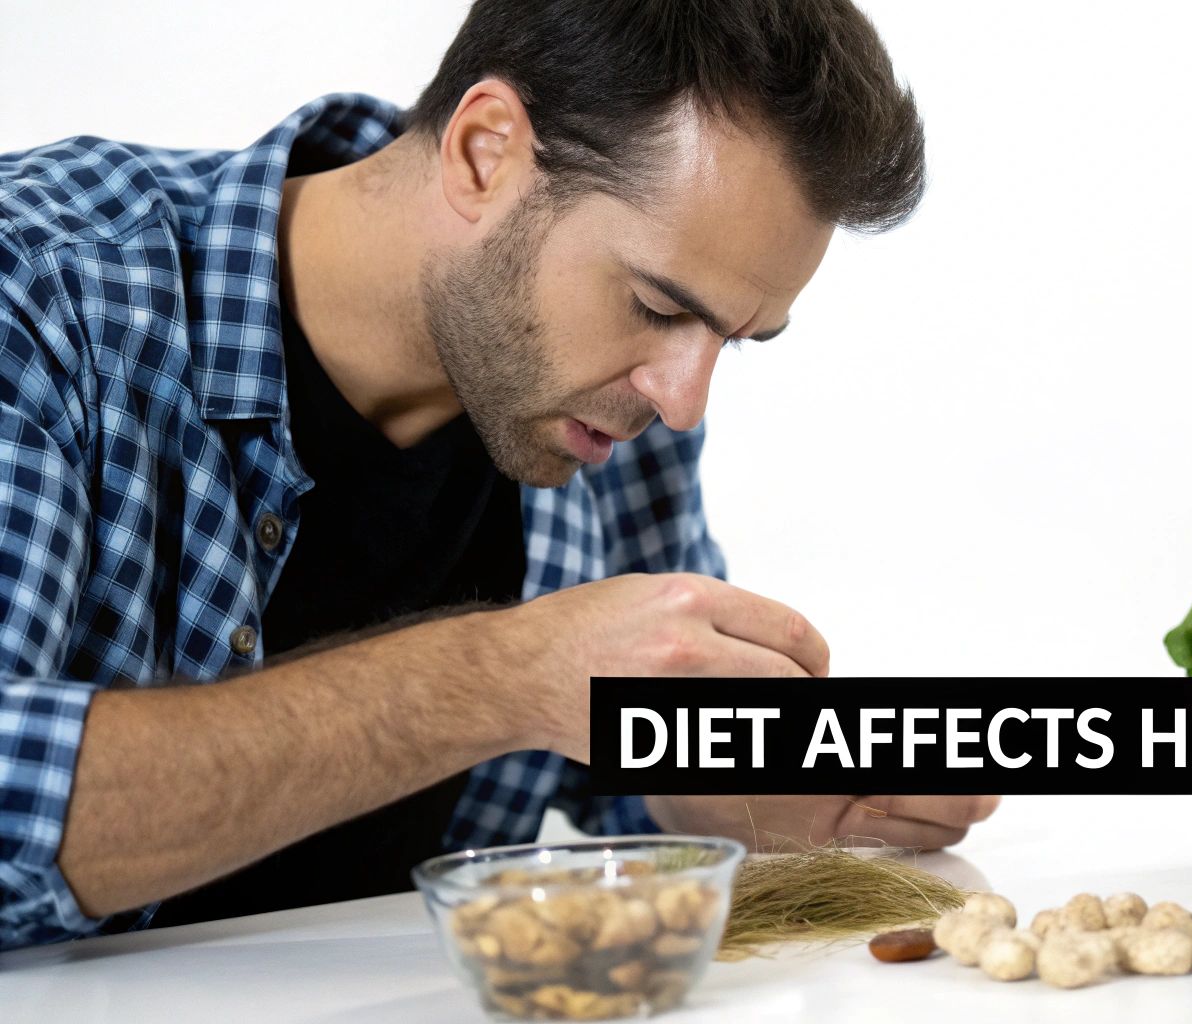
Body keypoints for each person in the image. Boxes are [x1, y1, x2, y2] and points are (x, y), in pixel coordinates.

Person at [0, 0, 998, 950]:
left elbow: (621, 764)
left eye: (732, 341)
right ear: (486, 156)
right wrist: (503, 676)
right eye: (656, 305)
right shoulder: (41, 294)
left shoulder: (607, 404)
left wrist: (748, 788)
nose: (683, 398)